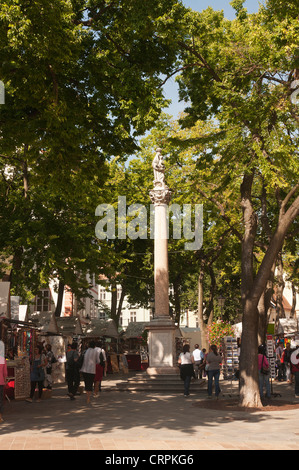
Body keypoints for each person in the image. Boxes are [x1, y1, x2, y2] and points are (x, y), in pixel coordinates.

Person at [0, 340, 7, 423]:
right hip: (0, 382)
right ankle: (0, 416)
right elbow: (5, 373)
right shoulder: (2, 359)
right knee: (0, 400)